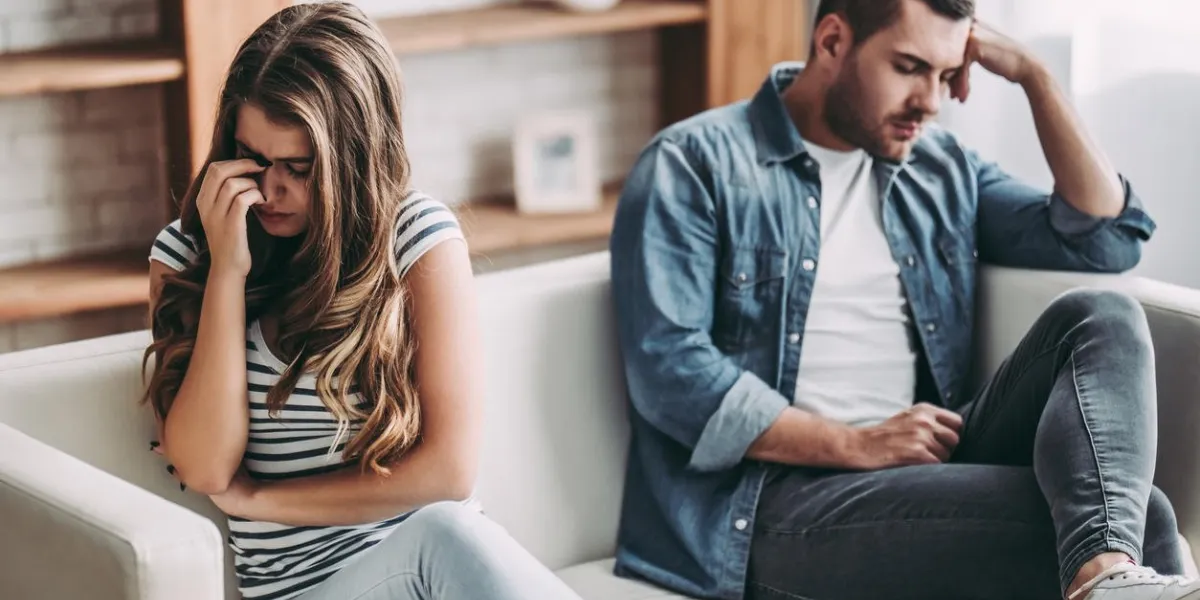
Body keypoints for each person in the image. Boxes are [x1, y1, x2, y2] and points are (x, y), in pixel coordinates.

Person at [609, 1, 1198, 599]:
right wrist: (857, 443)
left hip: (925, 460)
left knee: (1102, 318)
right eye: (910, 67)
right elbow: (671, 372)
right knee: (1142, 518)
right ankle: (1108, 577)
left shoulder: (937, 166)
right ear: (832, 42)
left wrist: (1034, 74)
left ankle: (1105, 577)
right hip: (776, 499)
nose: (932, 101)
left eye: (947, 74)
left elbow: (1104, 239)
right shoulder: (695, 163)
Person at [141, 4, 582, 600]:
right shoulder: (188, 253)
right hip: (313, 590)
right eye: (253, 158)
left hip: (433, 576)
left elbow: (448, 471)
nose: (269, 190)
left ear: (352, 161)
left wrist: (260, 500)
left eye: (298, 168)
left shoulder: (416, 237)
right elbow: (204, 466)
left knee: (444, 534)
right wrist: (227, 271)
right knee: (445, 536)